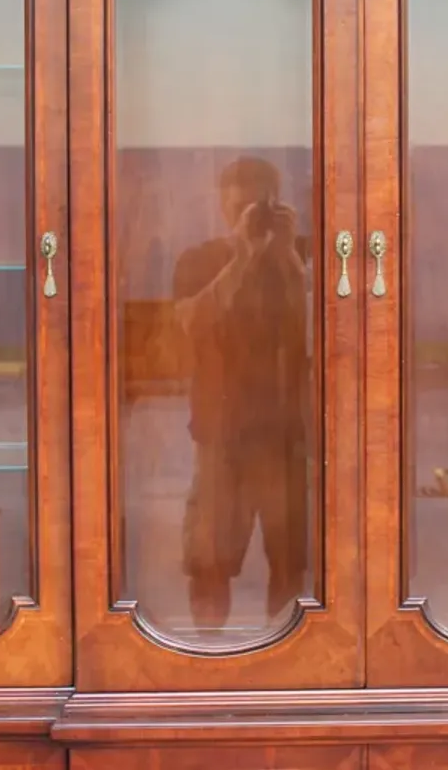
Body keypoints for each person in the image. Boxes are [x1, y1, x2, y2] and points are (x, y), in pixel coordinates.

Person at [171, 156, 310, 633]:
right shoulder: (199, 260)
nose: (253, 216)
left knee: (290, 561)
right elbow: (191, 323)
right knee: (208, 561)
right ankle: (210, 658)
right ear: (222, 204)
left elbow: (326, 333)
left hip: (284, 434)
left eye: (261, 204)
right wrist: (244, 256)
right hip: (220, 432)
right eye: (242, 205)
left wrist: (289, 255)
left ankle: (284, 662)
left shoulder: (297, 259)